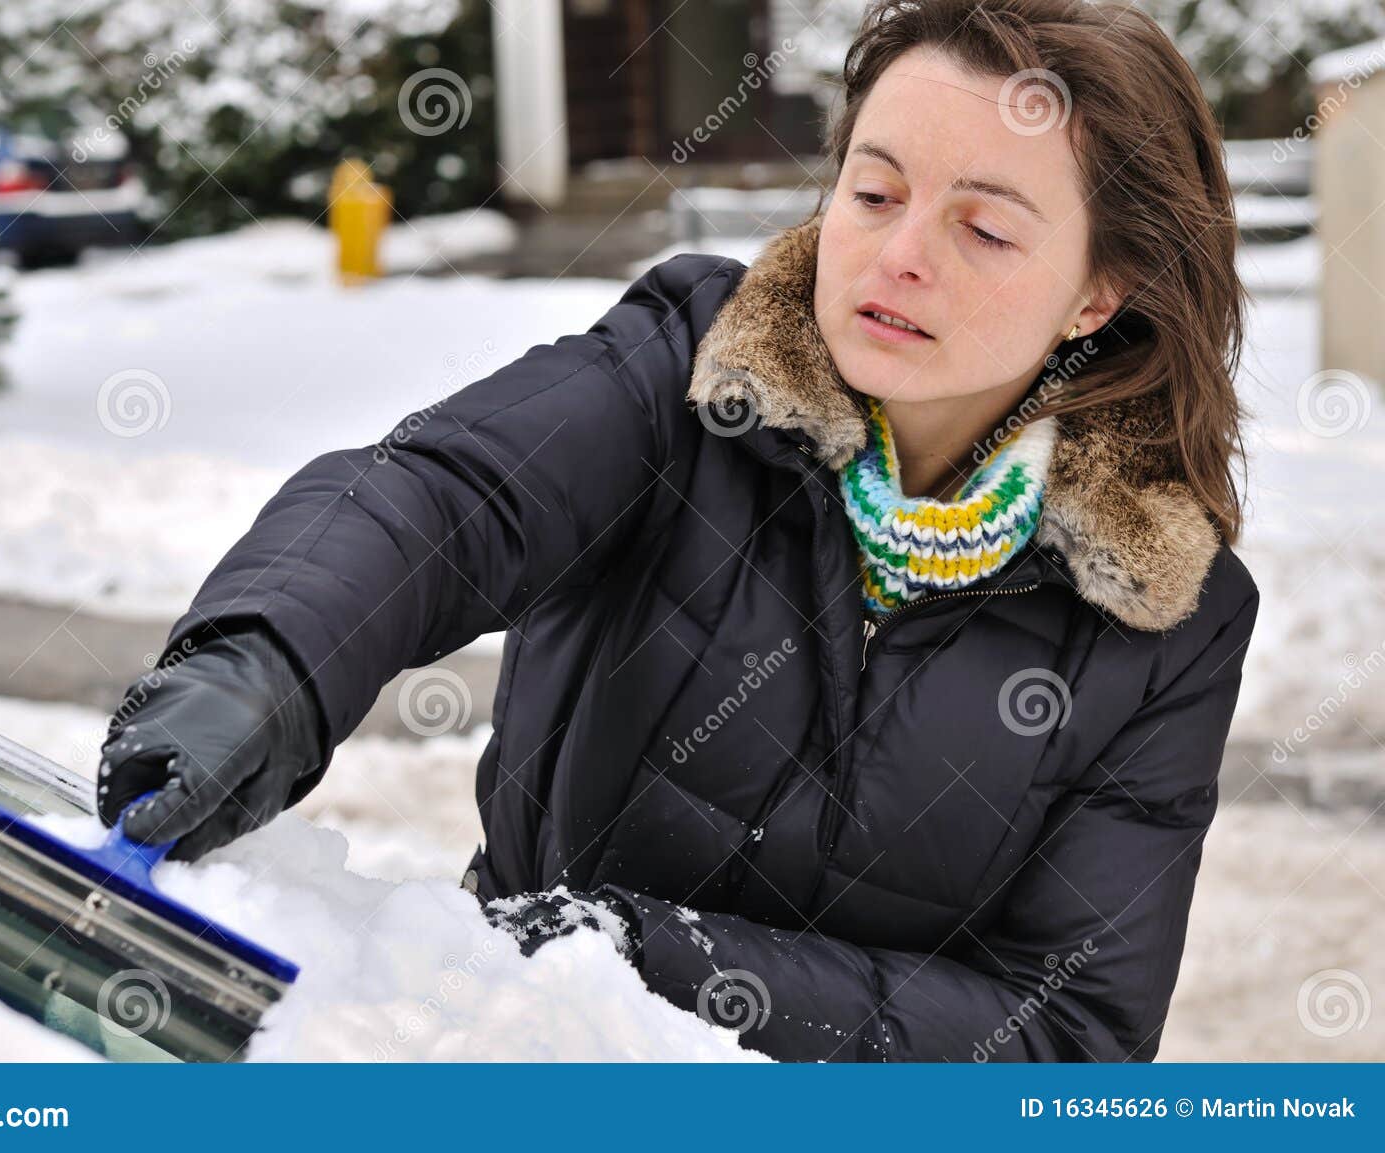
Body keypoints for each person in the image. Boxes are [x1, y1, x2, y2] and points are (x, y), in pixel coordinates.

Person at [96, 0, 1259, 1061]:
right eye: (874, 191)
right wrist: (266, 663)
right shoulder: (689, 371)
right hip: (518, 1058)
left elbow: (1068, 1036)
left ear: (1099, 290)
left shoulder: (1162, 621)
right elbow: (443, 497)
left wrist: (642, 957)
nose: (899, 255)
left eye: (985, 231)